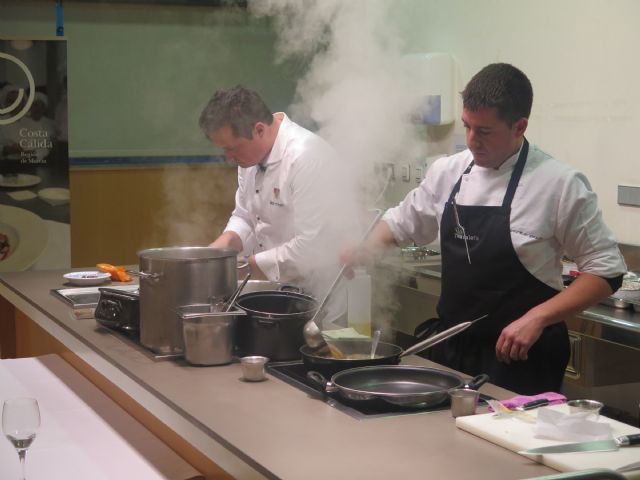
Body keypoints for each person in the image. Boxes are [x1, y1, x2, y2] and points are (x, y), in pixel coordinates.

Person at [348, 63, 626, 394]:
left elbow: (607, 272)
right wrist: (364, 248)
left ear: (519, 126)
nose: (471, 141)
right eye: (467, 127)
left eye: (484, 131)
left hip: (521, 360)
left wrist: (537, 317)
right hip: (453, 349)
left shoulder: (560, 184)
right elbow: (400, 222)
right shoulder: (447, 172)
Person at [199, 85, 354, 294]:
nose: (228, 158)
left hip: (320, 294)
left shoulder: (306, 157)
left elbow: (311, 246)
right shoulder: (249, 159)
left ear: (259, 129)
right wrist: (224, 244)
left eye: (232, 148)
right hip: (279, 290)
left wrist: (246, 266)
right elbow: (245, 215)